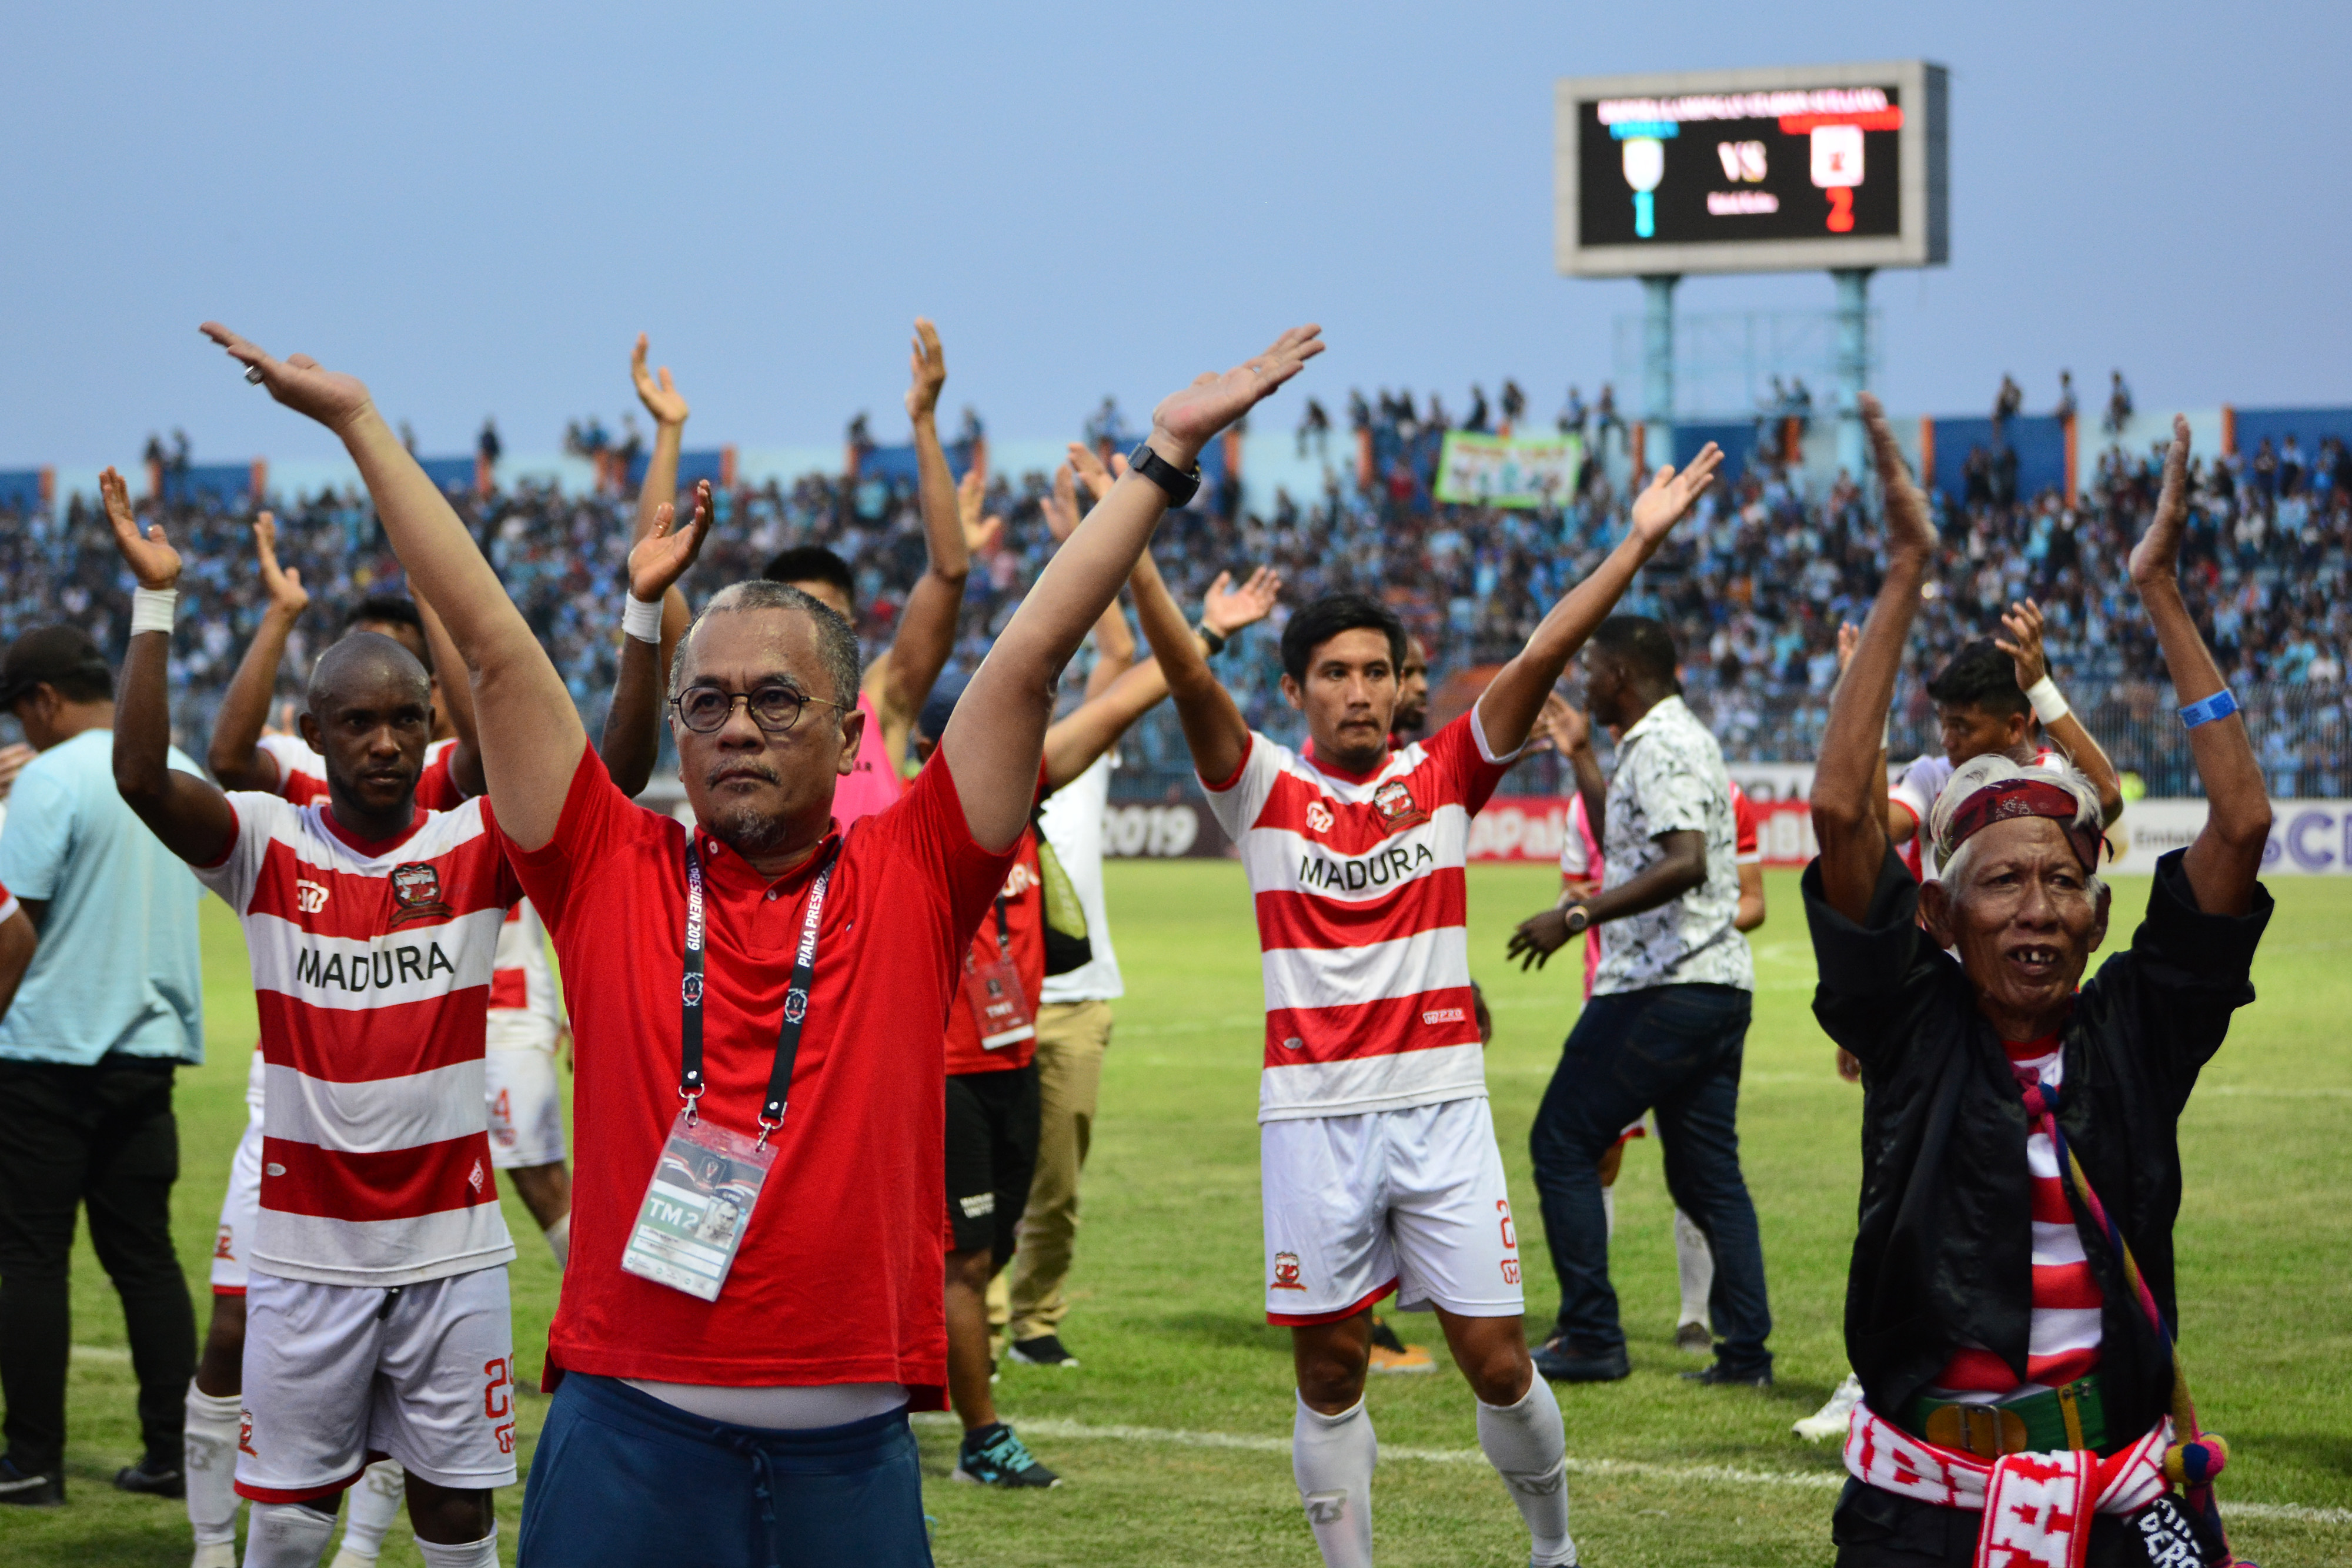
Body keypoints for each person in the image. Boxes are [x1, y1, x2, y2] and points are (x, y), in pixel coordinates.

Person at [201, 315, 1323, 1564]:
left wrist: (1162, 455)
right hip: (625, 1443)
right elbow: (495, 653)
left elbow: (1028, 661)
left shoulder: (914, 870)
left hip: (846, 1462)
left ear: (849, 736)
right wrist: (362, 425)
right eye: (708, 701)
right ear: (677, 735)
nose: (737, 724)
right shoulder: (604, 866)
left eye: (777, 698)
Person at [1136, 427, 1722, 1568]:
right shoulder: (1257, 787)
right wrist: (1132, 557)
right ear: (1295, 688)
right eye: (1333, 673)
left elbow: (1546, 648)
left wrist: (1635, 542)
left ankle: (1552, 1554)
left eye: (1374, 671)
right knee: (1329, 1368)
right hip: (1310, 1121)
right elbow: (1183, 674)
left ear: (1400, 682)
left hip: (1439, 1109)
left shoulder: (1443, 769)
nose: (1357, 692)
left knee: (1497, 1360)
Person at [1808, 406, 2269, 1568]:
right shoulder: (1908, 1026)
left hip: (2122, 1489)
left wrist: (2156, 589)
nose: (2033, 908)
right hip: (1922, 1501)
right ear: (1938, 915)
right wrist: (1906, 571)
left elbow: (2242, 820)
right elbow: (1836, 815)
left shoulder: (2136, 1030)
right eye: (1998, 884)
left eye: (2059, 883)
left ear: (2097, 910)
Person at [92, 462, 521, 1568]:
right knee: (284, 1523)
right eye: (359, 723)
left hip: (450, 1248)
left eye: (405, 722)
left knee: (461, 1515)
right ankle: (208, 1543)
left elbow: (548, 764)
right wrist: (155, 602)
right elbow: (143, 774)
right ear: (316, 736)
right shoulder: (266, 844)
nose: (385, 743)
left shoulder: (470, 845)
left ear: (428, 729)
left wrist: (610, 622)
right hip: (307, 1249)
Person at [994, 458, 1282, 1376]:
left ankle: (1034, 1314)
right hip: (987, 1007)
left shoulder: (1068, 763)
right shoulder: (975, 788)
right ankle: (986, 1319)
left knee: (1059, 1187)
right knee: (982, 1179)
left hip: (1077, 997)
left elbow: (1120, 663)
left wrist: (1092, 535)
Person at [1509, 613, 1773, 1390]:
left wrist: (1575, 914)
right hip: (1710, 983)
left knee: (1562, 1139)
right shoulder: (1655, 742)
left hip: (1664, 981)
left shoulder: (1664, 744)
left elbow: (1686, 863)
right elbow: (1627, 846)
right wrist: (1584, 757)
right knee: (1706, 1176)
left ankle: (1591, 1332)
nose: (1584, 683)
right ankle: (1745, 1352)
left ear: (1621, 674)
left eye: (1592, 668)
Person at [0, 620, 206, 1511]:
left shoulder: (48, 778)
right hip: (149, 1047)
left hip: (46, 1054)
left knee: (32, 1258)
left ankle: (35, 1461)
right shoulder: (178, 763)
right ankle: (172, 1452)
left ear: (43, 700)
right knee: (147, 1258)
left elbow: (14, 927)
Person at [1886, 605, 2124, 882]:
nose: (1946, 741)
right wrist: (1873, 713)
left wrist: (2039, 688)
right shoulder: (1932, 777)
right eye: (1944, 723)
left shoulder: (2056, 778)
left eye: (1962, 727)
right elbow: (1878, 832)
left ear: (2014, 727)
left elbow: (2106, 799)